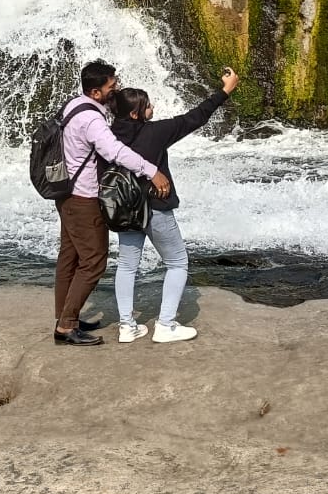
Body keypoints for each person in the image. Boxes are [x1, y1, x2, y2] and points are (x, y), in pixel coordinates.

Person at [109, 67, 242, 344]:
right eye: (147, 105)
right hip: (155, 207)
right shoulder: (156, 132)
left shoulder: (108, 136)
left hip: (123, 208)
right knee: (178, 263)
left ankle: (127, 326)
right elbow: (195, 117)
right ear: (134, 114)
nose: (152, 107)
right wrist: (225, 91)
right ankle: (166, 325)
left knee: (127, 265)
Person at [52, 61, 171, 347]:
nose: (115, 89)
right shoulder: (92, 119)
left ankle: (65, 316)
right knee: (94, 261)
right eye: (111, 86)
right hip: (83, 198)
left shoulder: (72, 105)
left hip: (66, 194)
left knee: (70, 258)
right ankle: (66, 327)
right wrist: (151, 171)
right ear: (95, 92)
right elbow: (115, 151)